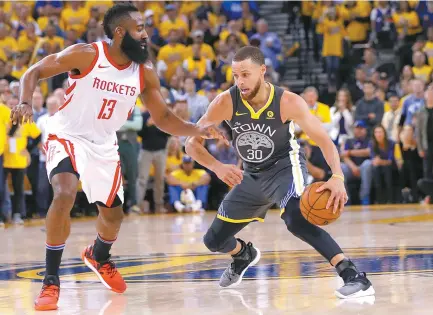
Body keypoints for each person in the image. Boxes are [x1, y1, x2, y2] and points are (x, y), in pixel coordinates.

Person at [10, 3, 224, 311]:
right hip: (67, 134)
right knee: (65, 192)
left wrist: (195, 128)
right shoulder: (87, 54)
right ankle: (51, 280)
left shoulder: (145, 73)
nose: (145, 34)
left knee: (113, 216)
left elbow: (162, 116)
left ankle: (98, 255)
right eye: (139, 28)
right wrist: (26, 101)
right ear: (120, 32)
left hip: (104, 144)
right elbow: (35, 71)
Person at [185, 46, 375, 299]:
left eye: (245, 74)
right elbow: (191, 143)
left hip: (284, 167)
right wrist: (217, 167)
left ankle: (353, 275)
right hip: (251, 175)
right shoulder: (225, 102)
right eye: (235, 75)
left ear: (262, 71)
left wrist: (337, 176)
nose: (240, 81)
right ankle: (243, 254)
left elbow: (324, 140)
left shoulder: (288, 102)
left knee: (296, 218)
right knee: (214, 241)